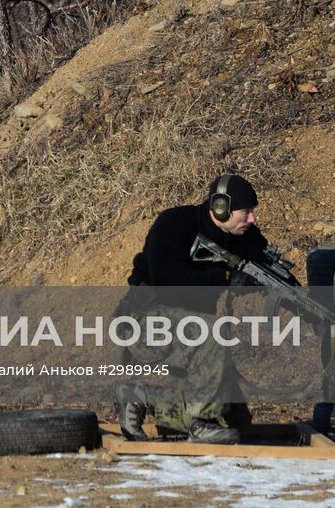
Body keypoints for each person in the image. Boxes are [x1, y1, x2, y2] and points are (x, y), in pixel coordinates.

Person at [114, 173, 273, 444]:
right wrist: (224, 279)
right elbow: (168, 281)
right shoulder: (173, 224)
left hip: (187, 336)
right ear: (221, 209)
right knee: (211, 331)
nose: (252, 219)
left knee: (236, 422)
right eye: (245, 212)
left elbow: (259, 254)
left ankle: (142, 399)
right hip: (145, 323)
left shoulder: (241, 234)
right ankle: (202, 424)